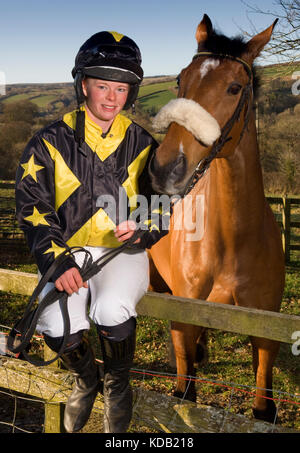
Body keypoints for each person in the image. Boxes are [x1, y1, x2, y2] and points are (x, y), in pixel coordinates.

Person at [15, 31, 169, 433]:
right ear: (83, 84)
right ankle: (87, 379)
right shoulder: (47, 142)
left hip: (122, 254)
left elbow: (166, 205)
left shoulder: (144, 144)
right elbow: (32, 206)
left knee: (111, 310)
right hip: (67, 252)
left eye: (121, 88)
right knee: (54, 325)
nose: (111, 97)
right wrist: (55, 258)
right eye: (103, 85)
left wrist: (145, 228)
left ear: (131, 93)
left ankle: (118, 384)